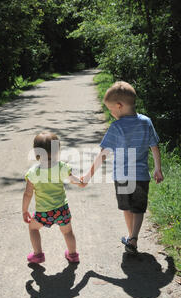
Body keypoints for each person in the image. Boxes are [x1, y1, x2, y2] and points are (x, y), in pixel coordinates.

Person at [81, 81, 164, 255]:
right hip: (141, 175)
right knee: (138, 208)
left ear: (119, 106)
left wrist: (88, 175)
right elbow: (154, 146)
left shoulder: (116, 127)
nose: (111, 113)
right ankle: (133, 237)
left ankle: (131, 238)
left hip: (122, 176)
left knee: (127, 207)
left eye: (111, 110)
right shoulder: (146, 122)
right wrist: (158, 168)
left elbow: (103, 153)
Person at [22, 132, 84, 264]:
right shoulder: (61, 167)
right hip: (62, 210)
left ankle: (38, 254)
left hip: (44, 212)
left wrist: (24, 210)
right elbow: (74, 180)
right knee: (67, 232)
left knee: (33, 228)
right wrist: (81, 182)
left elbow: (28, 194)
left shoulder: (33, 172)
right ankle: (73, 255)